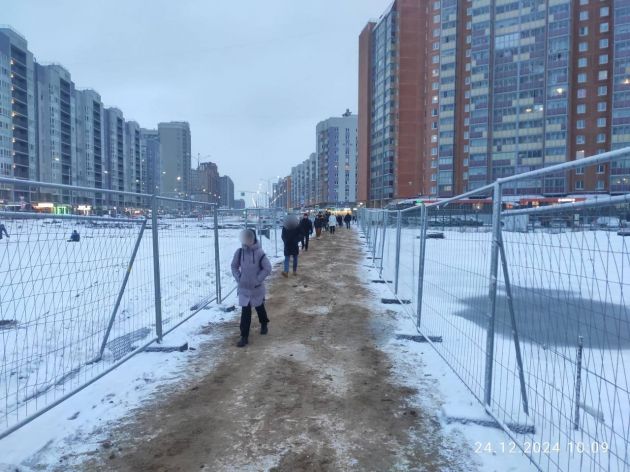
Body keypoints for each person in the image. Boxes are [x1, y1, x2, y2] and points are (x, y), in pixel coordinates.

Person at [231, 229, 272, 347]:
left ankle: (264, 323)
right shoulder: (239, 252)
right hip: (244, 288)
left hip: (256, 288)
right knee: (245, 311)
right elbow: (234, 266)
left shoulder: (260, 253)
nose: (247, 240)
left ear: (254, 238)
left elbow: (267, 268)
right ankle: (244, 336)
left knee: (259, 307)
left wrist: (258, 279)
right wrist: (239, 278)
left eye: (250, 237)